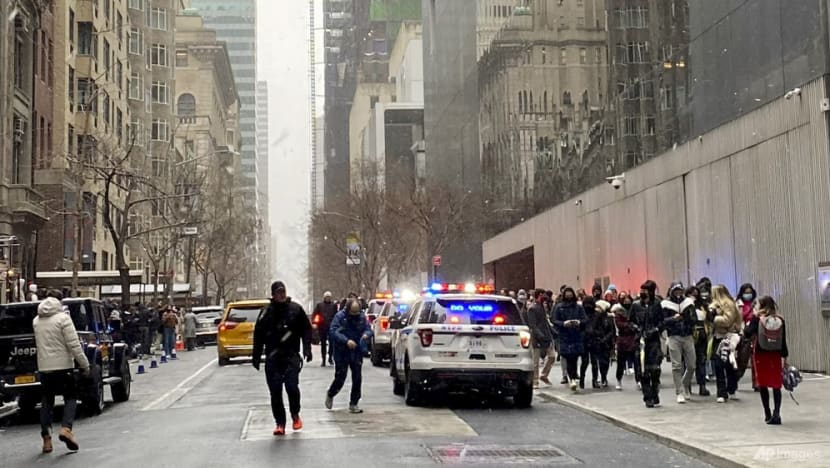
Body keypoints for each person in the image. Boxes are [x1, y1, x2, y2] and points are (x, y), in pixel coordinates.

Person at [252, 281, 313, 436]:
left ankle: (295, 414)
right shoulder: (266, 312)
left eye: (283, 292)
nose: (281, 295)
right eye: (278, 292)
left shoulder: (295, 309)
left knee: (292, 387)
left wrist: (307, 348)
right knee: (275, 391)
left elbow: (306, 329)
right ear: (273, 295)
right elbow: (258, 335)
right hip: (273, 358)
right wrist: (256, 356)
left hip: (291, 356)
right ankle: (280, 422)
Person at [33, 291, 90, 453]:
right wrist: (84, 365)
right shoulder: (64, 319)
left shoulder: (36, 321)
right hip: (64, 366)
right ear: (59, 301)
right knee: (71, 397)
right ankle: (66, 428)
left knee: (47, 401)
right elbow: (74, 345)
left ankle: (46, 438)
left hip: (44, 368)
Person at [743, 296, 788, 424]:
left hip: (760, 354)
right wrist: (784, 356)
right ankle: (777, 413)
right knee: (776, 384)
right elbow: (783, 340)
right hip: (775, 355)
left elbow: (747, 333)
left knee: (763, 384)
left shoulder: (757, 319)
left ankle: (767, 413)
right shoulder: (780, 320)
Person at [326, 299, 373, 413]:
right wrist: (346, 341)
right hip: (342, 351)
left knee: (357, 377)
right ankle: (331, 393)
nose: (355, 315)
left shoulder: (362, 317)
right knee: (340, 377)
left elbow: (368, 329)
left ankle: (354, 402)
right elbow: (333, 331)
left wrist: (366, 335)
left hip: (356, 350)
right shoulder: (340, 317)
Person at [662, 282, 697, 403]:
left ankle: (684, 383)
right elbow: (662, 321)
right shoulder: (665, 304)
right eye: (675, 290)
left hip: (687, 336)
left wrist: (685, 317)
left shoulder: (688, 302)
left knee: (692, 365)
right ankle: (679, 391)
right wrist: (673, 319)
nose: (678, 293)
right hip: (673, 336)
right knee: (676, 365)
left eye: (680, 290)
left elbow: (694, 319)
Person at [632, 280, 664, 408]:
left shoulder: (657, 304)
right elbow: (631, 321)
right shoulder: (636, 306)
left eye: (645, 291)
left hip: (654, 341)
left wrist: (655, 329)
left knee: (655, 369)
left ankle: (655, 390)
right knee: (643, 370)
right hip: (640, 341)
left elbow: (662, 322)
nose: (643, 293)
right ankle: (647, 397)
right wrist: (637, 328)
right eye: (642, 291)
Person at [709, 284, 742, 403]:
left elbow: (727, 321)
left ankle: (731, 389)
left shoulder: (728, 304)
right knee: (718, 365)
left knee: (728, 364)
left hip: (728, 337)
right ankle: (722, 392)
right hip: (718, 337)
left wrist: (715, 318)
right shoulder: (714, 305)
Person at [553, 287, 587, 392]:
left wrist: (579, 322)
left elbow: (585, 319)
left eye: (570, 294)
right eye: (566, 294)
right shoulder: (559, 307)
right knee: (567, 357)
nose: (568, 296)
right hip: (564, 335)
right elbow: (554, 320)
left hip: (576, 335)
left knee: (575, 357)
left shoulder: (578, 307)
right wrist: (563, 323)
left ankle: (573, 376)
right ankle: (571, 378)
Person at [584, 298, 615, 388]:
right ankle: (600, 378)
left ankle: (604, 376)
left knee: (605, 361)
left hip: (606, 342)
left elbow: (611, 331)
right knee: (598, 361)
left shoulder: (609, 318)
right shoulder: (595, 317)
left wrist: (606, 339)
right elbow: (593, 329)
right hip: (597, 341)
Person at [527, 289, 555, 387]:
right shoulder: (532, 308)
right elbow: (533, 325)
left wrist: (552, 332)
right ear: (539, 295)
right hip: (537, 338)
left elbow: (545, 322)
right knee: (536, 361)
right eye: (543, 294)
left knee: (552, 357)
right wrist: (540, 335)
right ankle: (535, 381)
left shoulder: (543, 307)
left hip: (546, 336)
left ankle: (543, 375)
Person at [687, 285, 711, 396]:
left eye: (696, 294)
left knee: (701, 360)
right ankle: (687, 386)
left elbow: (709, 318)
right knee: (688, 361)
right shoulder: (685, 306)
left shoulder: (703, 306)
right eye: (691, 294)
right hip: (689, 334)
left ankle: (702, 385)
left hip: (702, 334)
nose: (694, 297)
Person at [613, 292, 641, 390]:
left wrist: (632, 327)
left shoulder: (635, 311)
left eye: (628, 300)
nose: (627, 302)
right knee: (621, 362)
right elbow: (619, 325)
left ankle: (638, 380)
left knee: (637, 362)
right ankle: (619, 379)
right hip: (622, 339)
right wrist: (629, 326)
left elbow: (638, 323)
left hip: (633, 339)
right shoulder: (618, 312)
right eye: (625, 300)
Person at [736, 283, 759, 387]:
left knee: (756, 358)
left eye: (750, 292)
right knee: (742, 359)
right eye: (746, 292)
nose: (748, 294)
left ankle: (757, 383)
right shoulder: (739, 304)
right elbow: (739, 318)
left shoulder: (756, 303)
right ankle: (734, 380)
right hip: (744, 333)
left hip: (755, 332)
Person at [312, 291, 339, 366]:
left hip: (331, 327)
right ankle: (323, 359)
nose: (328, 298)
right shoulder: (319, 305)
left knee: (332, 343)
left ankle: (330, 357)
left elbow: (336, 315)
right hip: (322, 326)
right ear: (324, 297)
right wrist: (315, 323)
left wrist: (336, 324)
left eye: (329, 297)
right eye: (326, 297)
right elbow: (315, 315)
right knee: (323, 344)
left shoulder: (333, 306)